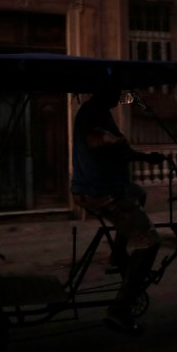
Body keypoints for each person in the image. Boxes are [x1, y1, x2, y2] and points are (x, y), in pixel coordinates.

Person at [71, 87, 164, 335]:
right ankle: (119, 310)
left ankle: (118, 254)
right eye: (116, 92)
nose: (118, 97)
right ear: (105, 91)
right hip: (102, 190)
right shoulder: (93, 112)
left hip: (108, 185)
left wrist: (145, 158)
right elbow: (96, 140)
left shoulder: (102, 112)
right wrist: (114, 139)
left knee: (139, 194)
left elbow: (119, 152)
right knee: (149, 241)